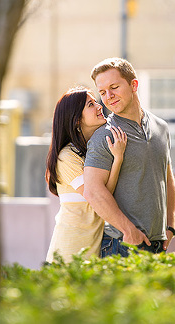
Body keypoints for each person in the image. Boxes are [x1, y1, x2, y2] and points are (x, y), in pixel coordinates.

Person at [83, 57, 175, 257]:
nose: (108, 97)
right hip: (122, 244)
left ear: (133, 84)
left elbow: (167, 180)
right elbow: (93, 191)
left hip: (158, 244)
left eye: (114, 87)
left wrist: (170, 227)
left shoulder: (161, 127)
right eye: (102, 92)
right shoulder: (105, 136)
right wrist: (128, 230)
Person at [45, 86, 127, 263]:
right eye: (91, 104)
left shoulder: (90, 151)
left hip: (91, 249)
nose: (99, 106)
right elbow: (99, 196)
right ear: (76, 120)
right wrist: (118, 159)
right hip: (69, 250)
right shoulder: (66, 157)